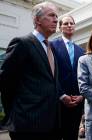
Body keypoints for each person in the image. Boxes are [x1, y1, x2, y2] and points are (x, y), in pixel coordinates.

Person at [0, 2, 60, 140]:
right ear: (37, 20)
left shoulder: (51, 49)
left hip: (51, 125)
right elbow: (5, 81)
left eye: (56, 16)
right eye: (51, 15)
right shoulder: (22, 43)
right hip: (27, 125)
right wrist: (17, 114)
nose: (56, 19)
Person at [51, 15, 84, 140]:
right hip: (57, 102)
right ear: (60, 28)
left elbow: (82, 76)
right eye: (66, 23)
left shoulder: (81, 51)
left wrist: (81, 96)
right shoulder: (52, 46)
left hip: (76, 102)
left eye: (71, 23)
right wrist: (61, 95)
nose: (69, 25)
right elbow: (51, 73)